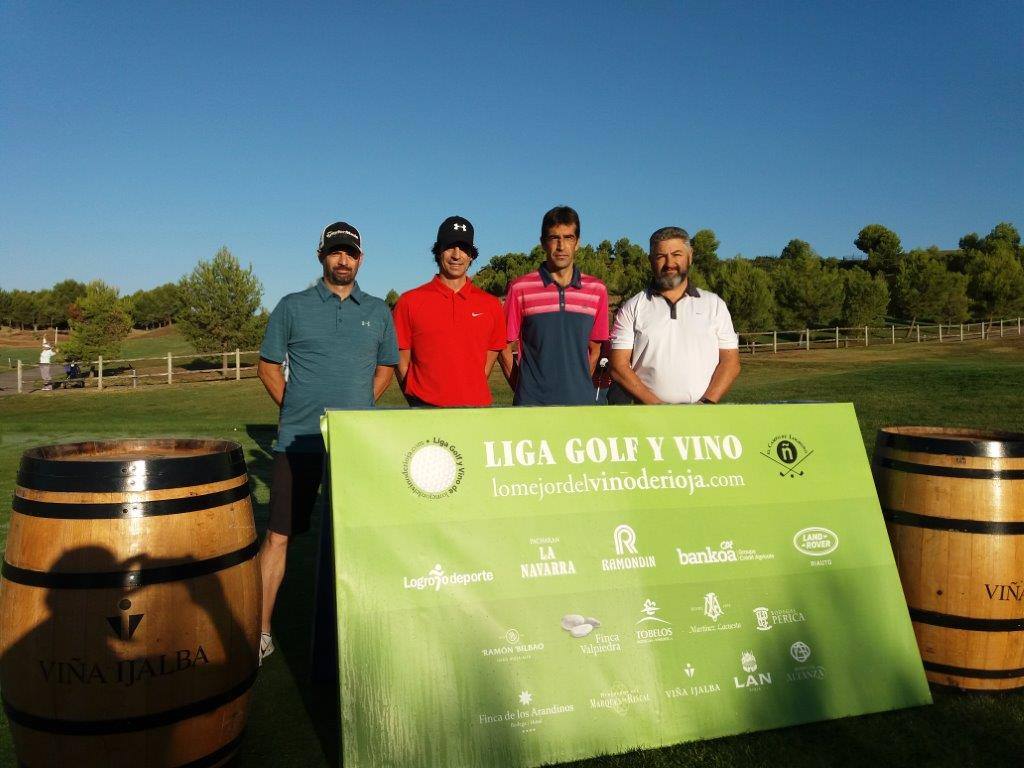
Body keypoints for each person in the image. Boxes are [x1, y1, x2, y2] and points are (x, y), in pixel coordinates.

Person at [255, 220, 398, 662]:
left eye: (350, 253)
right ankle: (259, 631)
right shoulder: (292, 306)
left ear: (361, 258)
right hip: (297, 442)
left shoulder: (378, 310)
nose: (343, 260)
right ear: (322, 257)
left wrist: (352, 415)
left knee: (357, 539)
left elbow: (386, 369)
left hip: (353, 447)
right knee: (279, 536)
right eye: (335, 252)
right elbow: (268, 366)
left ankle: (363, 630)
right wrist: (295, 406)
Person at [609, 226, 740, 404]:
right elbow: (618, 366)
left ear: (690, 256)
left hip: (704, 417)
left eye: (677, 254)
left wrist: (706, 404)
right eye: (661, 256)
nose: (669, 263)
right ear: (650, 260)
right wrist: (658, 408)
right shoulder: (632, 307)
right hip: (649, 418)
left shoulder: (715, 305)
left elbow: (730, 362)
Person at [392, 216, 506, 407]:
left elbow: (486, 364)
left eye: (463, 248)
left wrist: (467, 393)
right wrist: (417, 401)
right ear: (438, 251)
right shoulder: (409, 301)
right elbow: (401, 360)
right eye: (449, 247)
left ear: (471, 255)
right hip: (424, 410)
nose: (456, 255)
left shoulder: (491, 305)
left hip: (475, 412)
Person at [501, 206, 609, 405]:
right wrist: (523, 389)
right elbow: (504, 347)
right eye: (554, 238)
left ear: (577, 243)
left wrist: (578, 385)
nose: (561, 246)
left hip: (580, 404)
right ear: (543, 243)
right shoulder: (520, 288)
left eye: (568, 238)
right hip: (532, 406)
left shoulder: (597, 290)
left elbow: (595, 348)